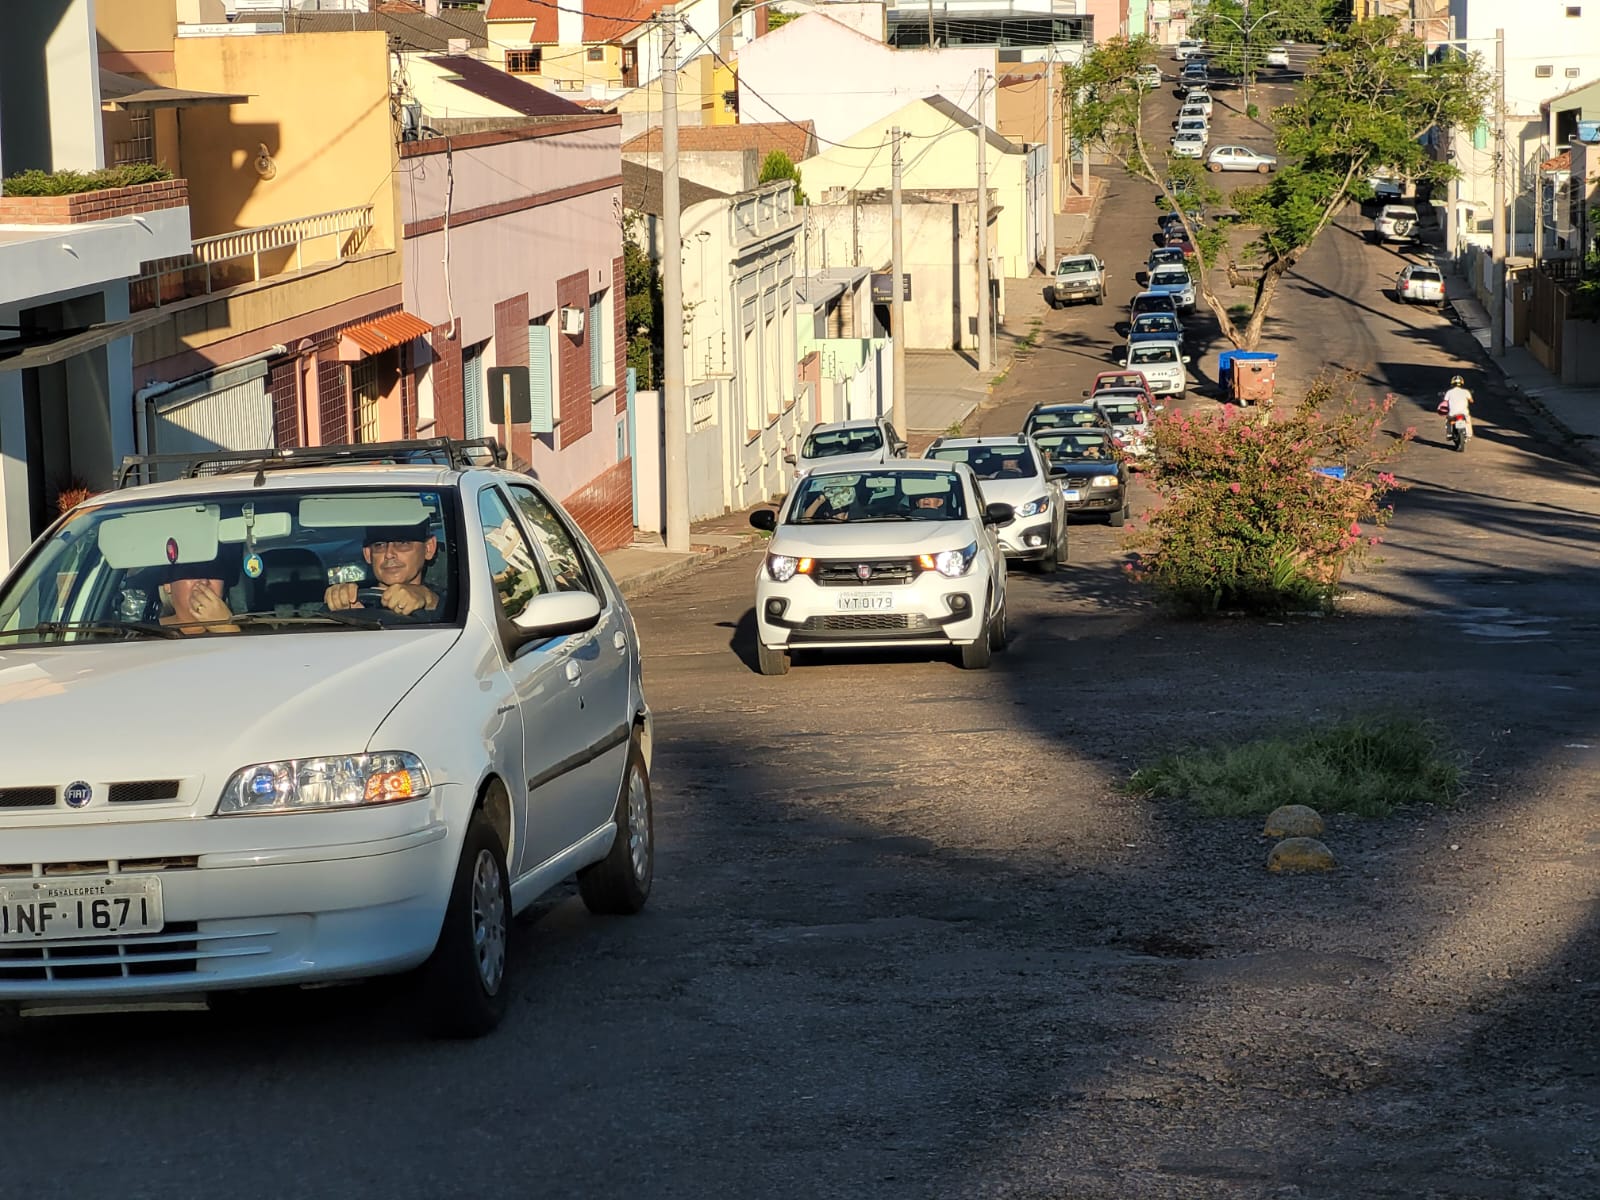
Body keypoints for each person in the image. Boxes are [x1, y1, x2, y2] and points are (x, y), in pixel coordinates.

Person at [325, 521, 441, 617]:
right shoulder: (354, 599)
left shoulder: (447, 603)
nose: (389, 554)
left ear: (428, 548)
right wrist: (340, 607)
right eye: (379, 545)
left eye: (403, 543)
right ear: (368, 554)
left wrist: (429, 600)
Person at [158, 557, 240, 635]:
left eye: (215, 572)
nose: (204, 582)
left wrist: (225, 627)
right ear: (168, 585)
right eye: (191, 572)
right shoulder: (152, 633)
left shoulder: (247, 630)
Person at [1438, 374, 1474, 439]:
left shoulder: (1449, 392)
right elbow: (1471, 401)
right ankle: (1469, 434)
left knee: (1448, 421)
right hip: (1464, 412)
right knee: (1468, 421)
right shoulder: (1466, 391)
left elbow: (1445, 400)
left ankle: (1449, 434)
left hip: (1452, 413)